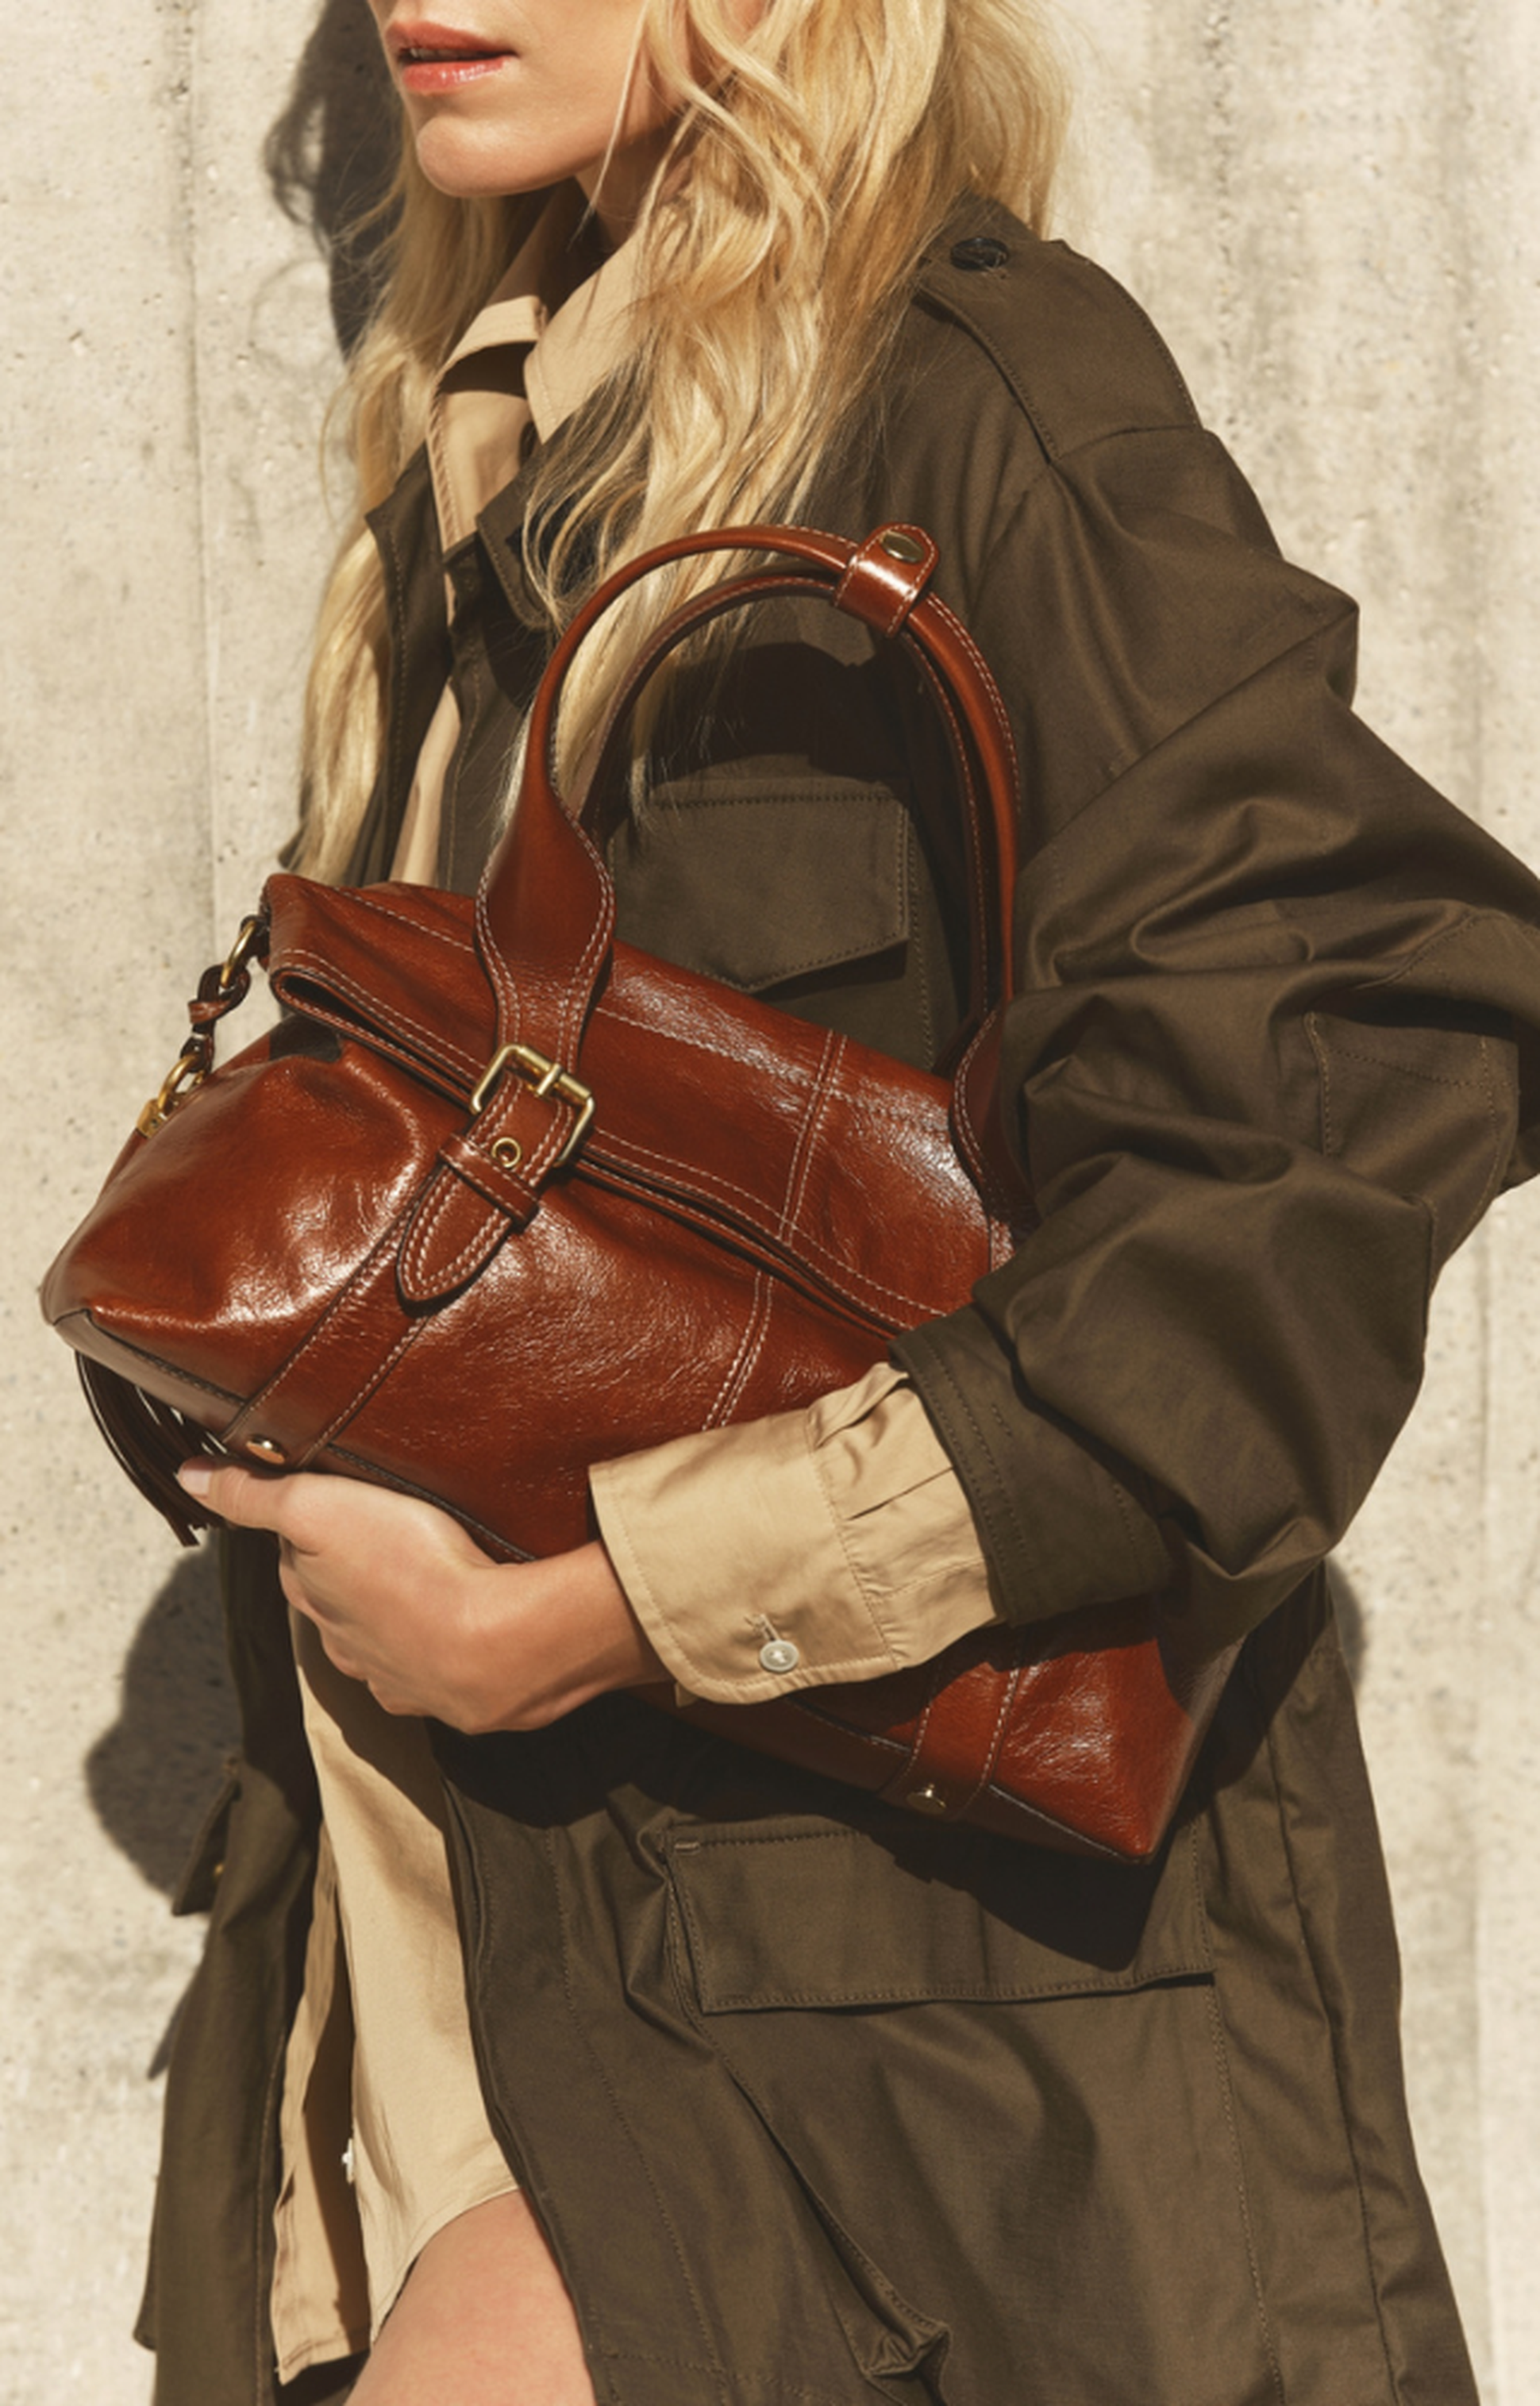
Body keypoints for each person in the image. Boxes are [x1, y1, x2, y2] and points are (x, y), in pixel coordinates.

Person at [137, 2, 1540, 2403]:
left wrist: (611, 1605)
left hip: (875, 2070)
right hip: (451, 2013)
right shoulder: (474, 490)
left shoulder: (970, 406)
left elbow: (1357, 1057)